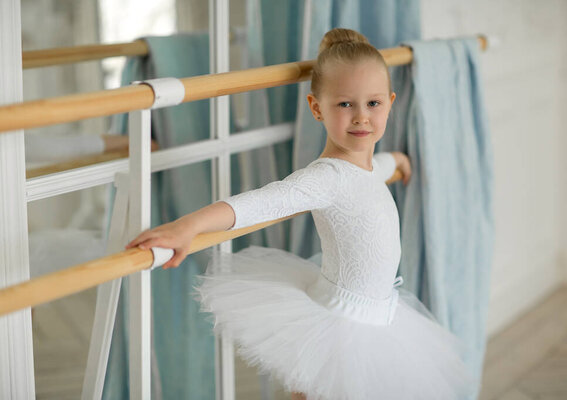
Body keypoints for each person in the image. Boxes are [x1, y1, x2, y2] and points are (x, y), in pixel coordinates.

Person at [127, 28, 475, 400]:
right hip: (341, 325)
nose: (361, 117)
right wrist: (188, 226)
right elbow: (262, 202)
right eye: (345, 105)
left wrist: (398, 161)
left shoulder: (369, 166)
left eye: (373, 104)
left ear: (390, 103)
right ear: (316, 108)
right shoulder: (326, 177)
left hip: (382, 319)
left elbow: (375, 171)